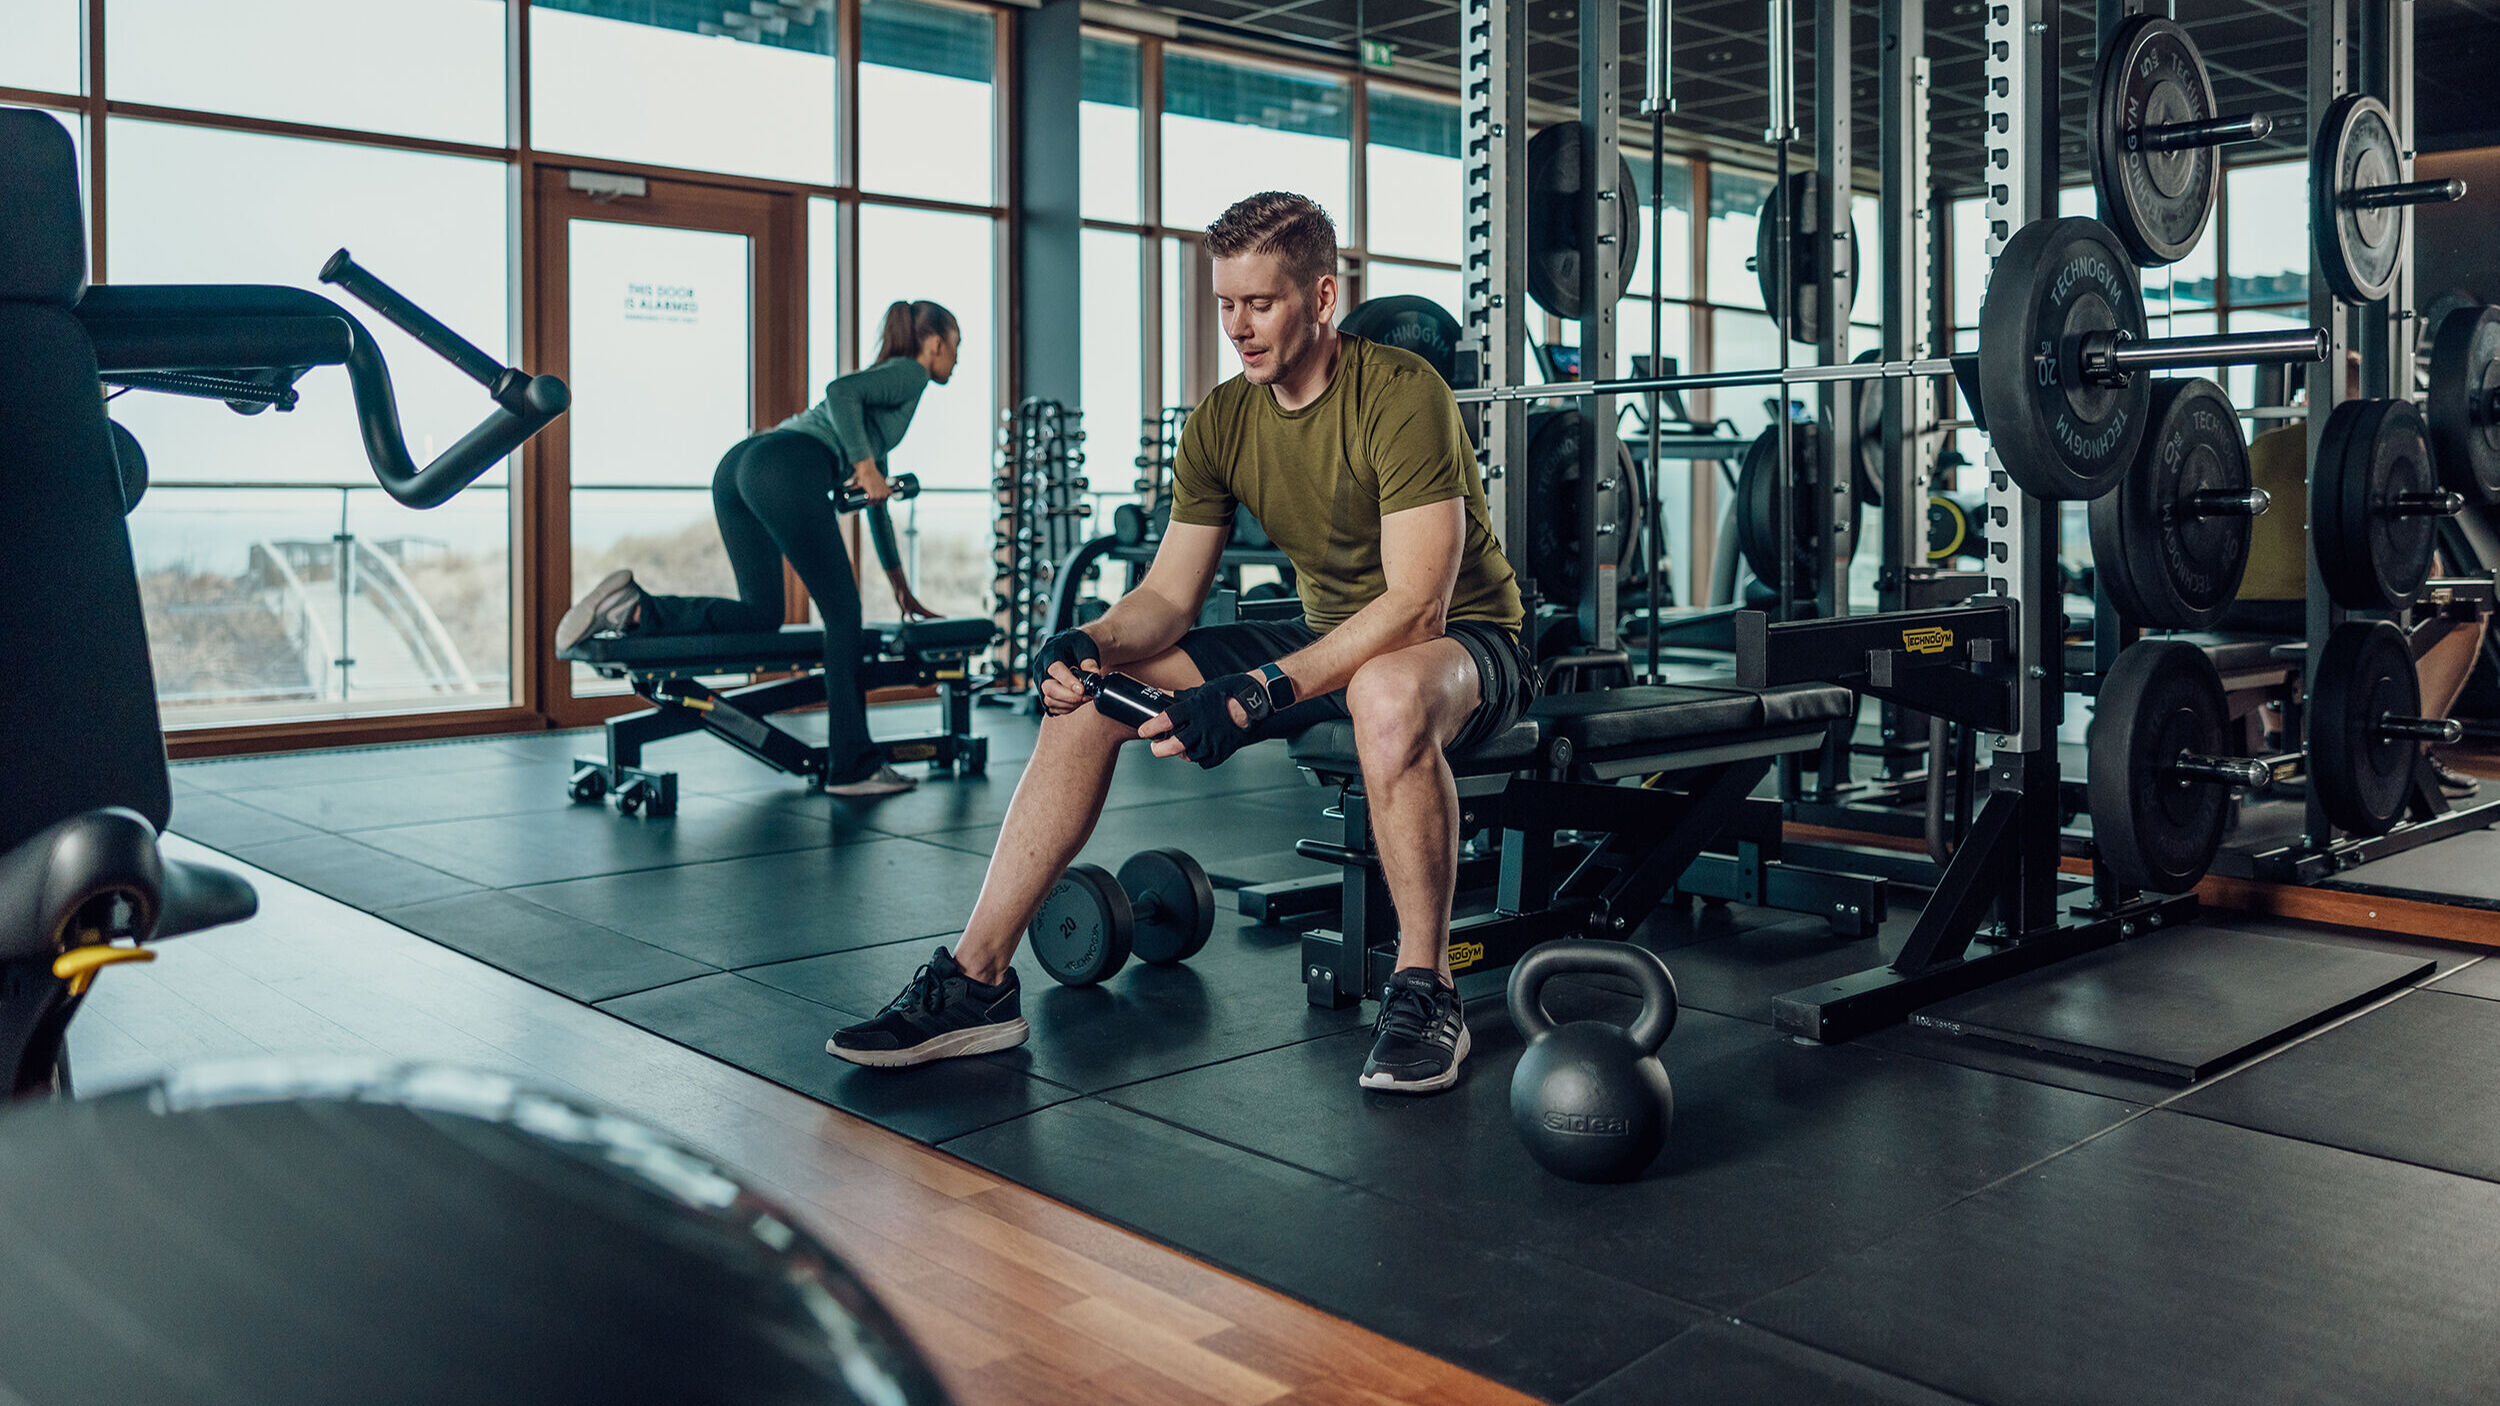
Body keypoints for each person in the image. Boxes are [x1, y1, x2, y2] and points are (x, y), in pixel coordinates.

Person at [826, 192, 1531, 1092]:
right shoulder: (1222, 420)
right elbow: (1165, 595)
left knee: (1383, 693)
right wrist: (1086, 637)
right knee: (1087, 696)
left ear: (1322, 299)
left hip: (1467, 643)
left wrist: (1254, 694)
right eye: (1225, 304)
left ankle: (1425, 988)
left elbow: (1416, 607)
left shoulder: (1400, 392)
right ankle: (976, 983)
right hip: (1325, 632)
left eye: (1261, 304)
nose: (1237, 328)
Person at [555, 300, 960, 797]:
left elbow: (876, 500)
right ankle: (853, 767)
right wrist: (864, 464)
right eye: (956, 345)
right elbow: (840, 392)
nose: (957, 359)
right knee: (842, 615)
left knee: (761, 612)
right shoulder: (909, 374)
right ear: (934, 342)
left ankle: (636, 610)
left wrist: (901, 586)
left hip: (741, 465)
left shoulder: (882, 405)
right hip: (785, 466)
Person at [2220, 356, 2485, 797]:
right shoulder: (2375, 457)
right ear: (2364, 404)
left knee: (2293, 632)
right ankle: (2408, 756)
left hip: (2232, 612)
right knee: (2466, 614)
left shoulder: (2261, 446)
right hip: (2318, 615)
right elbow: (2419, 569)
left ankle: (2275, 736)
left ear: (2305, 397)